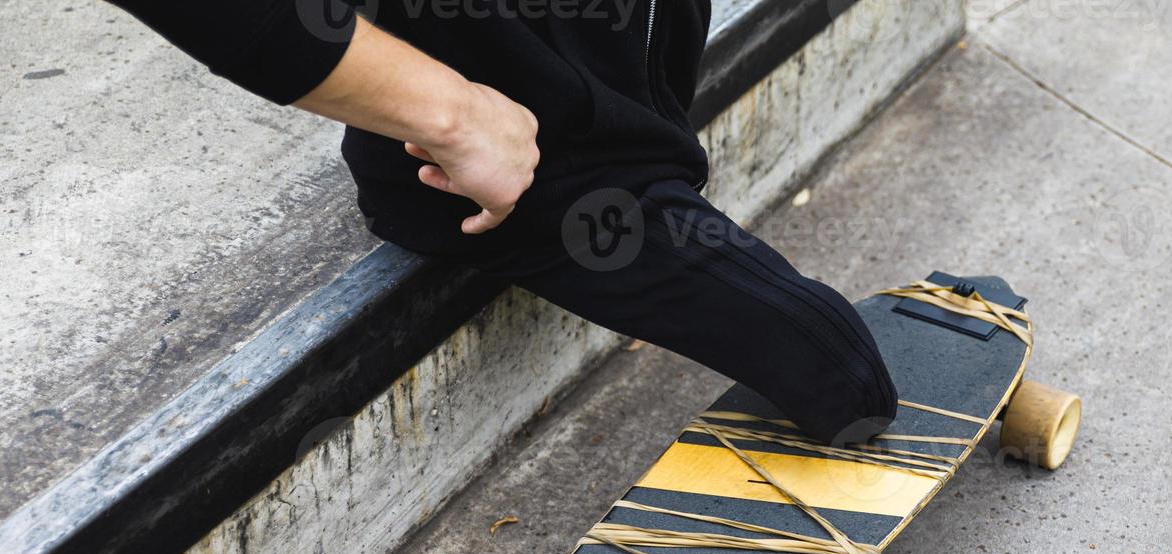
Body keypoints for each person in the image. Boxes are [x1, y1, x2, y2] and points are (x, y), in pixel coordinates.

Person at [108, 0, 896, 445]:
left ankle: (590, 131)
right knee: (840, 370)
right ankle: (563, 148)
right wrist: (449, 113)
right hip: (543, 159)